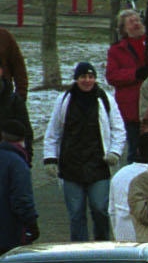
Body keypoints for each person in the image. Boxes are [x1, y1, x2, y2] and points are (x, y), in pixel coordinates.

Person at [43, 61, 126, 242]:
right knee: (76, 213)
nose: (87, 80)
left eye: (90, 77)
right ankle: (78, 250)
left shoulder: (105, 99)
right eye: (83, 77)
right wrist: (50, 158)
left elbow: (118, 128)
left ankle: (103, 245)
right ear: (76, 79)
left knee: (100, 209)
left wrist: (114, 152)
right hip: (71, 167)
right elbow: (53, 131)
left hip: (99, 166)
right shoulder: (64, 100)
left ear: (95, 79)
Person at [105, 8, 148, 164]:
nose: (136, 24)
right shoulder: (116, 50)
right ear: (124, 29)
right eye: (131, 22)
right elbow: (112, 76)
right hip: (131, 109)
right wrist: (135, 74)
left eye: (138, 20)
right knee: (135, 150)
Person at [0, 119, 39, 254]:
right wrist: (32, 223)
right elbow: (22, 198)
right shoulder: (18, 163)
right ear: (23, 139)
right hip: (10, 232)